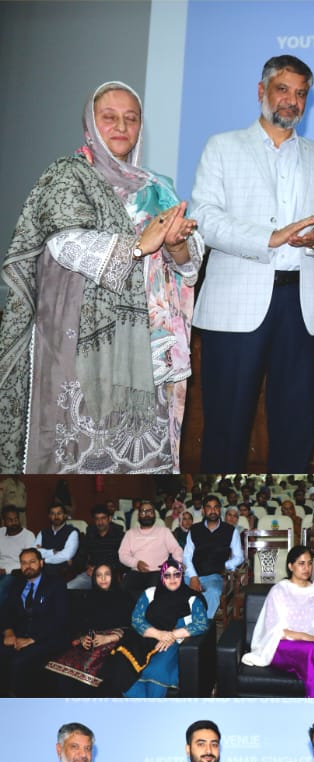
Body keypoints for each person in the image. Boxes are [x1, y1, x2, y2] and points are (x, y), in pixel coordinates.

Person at [0, 81, 201, 473]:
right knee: (81, 446)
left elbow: (189, 264)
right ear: (90, 124)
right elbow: (66, 245)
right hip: (77, 337)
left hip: (148, 345)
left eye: (131, 118)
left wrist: (176, 244)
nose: (121, 127)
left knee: (142, 448)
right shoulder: (67, 176)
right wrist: (139, 245)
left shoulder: (158, 187)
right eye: (110, 117)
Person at [191, 54, 314, 470]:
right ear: (262, 91)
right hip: (235, 305)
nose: (292, 101)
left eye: (301, 94)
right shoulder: (222, 147)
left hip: (300, 306)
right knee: (226, 427)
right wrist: (269, 238)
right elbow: (204, 219)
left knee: (295, 426)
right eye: (283, 90)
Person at [242, 544, 314, 695]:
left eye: (309, 563)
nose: (306, 568)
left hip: (313, 646)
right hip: (281, 647)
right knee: (313, 651)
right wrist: (304, 637)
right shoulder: (279, 591)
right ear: (290, 566)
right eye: (301, 563)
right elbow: (274, 629)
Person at [101, 556, 209, 698]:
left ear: (182, 575)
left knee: (157, 669)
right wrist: (160, 634)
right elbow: (136, 619)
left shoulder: (192, 598)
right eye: (167, 575)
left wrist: (172, 635)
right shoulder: (150, 593)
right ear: (162, 577)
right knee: (120, 663)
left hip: (171, 643)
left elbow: (201, 623)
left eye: (176, 574)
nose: (172, 579)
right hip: (144, 638)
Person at [45, 561, 132, 694]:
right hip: (91, 642)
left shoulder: (125, 598)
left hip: (117, 643)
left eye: (107, 574)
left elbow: (133, 627)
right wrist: (82, 638)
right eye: (99, 575)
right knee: (62, 671)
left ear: (114, 576)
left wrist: (109, 638)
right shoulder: (88, 598)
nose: (103, 579)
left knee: (96, 675)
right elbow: (79, 624)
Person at [0, 547, 69, 695]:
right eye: (24, 563)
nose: (28, 566)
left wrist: (32, 639)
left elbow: (60, 619)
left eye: (32, 562)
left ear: (41, 563)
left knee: (19, 662)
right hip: (19, 635)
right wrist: (8, 631)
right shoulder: (17, 584)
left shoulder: (56, 583)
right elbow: (6, 611)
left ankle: (18, 700)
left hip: (47, 637)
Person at [181, 494, 244, 623]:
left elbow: (239, 557)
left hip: (214, 577)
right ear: (203, 510)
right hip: (192, 574)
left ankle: (202, 625)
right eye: (209, 507)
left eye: (216, 507)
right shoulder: (195, 529)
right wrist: (193, 577)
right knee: (174, 589)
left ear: (220, 510)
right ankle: (182, 624)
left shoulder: (230, 531)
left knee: (214, 592)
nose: (213, 510)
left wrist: (224, 565)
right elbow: (187, 556)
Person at [118, 501, 183, 599]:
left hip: (158, 572)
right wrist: (136, 563)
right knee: (123, 592)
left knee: (153, 593)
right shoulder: (130, 533)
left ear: (154, 515)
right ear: (138, 516)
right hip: (136, 572)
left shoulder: (164, 531)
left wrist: (177, 563)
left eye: (150, 511)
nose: (147, 514)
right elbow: (122, 554)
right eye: (143, 512)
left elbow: (176, 549)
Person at [67, 504, 125, 589]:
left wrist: (100, 569)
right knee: (68, 588)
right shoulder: (90, 535)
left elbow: (124, 562)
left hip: (111, 575)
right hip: (91, 574)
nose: (100, 522)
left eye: (103, 518)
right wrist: (86, 567)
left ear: (109, 519)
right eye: (97, 519)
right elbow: (81, 556)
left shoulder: (119, 535)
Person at [0, 503, 35, 615]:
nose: (14, 523)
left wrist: (6, 570)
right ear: (4, 521)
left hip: (15, 572)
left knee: (1, 588)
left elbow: (29, 561)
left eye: (16, 519)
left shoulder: (28, 536)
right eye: (10, 520)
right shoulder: (0, 533)